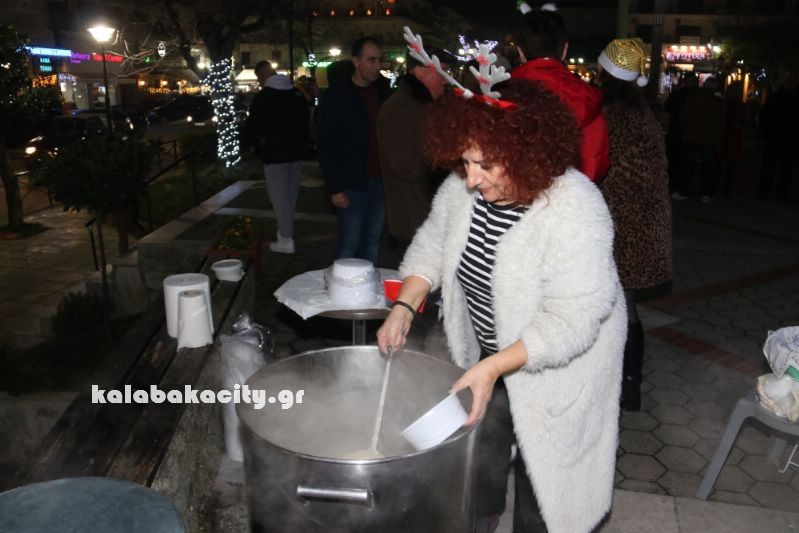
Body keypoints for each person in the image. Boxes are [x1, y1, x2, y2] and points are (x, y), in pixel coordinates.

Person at [377, 78, 626, 533]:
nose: (471, 178)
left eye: (486, 165)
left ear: (527, 153)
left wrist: (493, 367)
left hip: (561, 369)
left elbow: (570, 320)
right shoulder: (463, 190)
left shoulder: (574, 207)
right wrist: (404, 307)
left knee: (544, 492)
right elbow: (431, 246)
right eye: (466, 161)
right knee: (479, 463)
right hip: (490, 360)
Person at [595, 38, 673, 411]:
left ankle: (614, 383)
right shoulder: (645, 111)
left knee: (608, 305)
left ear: (606, 72)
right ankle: (630, 385)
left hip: (620, 225)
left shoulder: (611, 116)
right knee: (625, 304)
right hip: (644, 225)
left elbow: (595, 167)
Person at [511, 4, 610, 182]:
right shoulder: (586, 98)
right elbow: (595, 162)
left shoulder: (502, 92)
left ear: (520, 52)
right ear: (564, 50)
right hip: (571, 195)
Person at [316, 36, 391, 264]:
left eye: (379, 60)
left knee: (372, 242)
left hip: (380, 181)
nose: (376, 66)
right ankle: (343, 286)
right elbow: (326, 144)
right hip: (351, 183)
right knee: (349, 243)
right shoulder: (337, 96)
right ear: (356, 61)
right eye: (371, 60)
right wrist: (335, 188)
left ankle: (367, 285)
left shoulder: (383, 92)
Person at [377, 48, 451, 263]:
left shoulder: (426, 105)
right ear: (420, 72)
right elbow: (407, 167)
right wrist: (447, 157)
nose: (446, 79)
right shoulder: (400, 108)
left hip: (430, 218)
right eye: (441, 72)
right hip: (415, 220)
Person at [244, 60, 310, 254]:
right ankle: (285, 232)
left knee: (278, 196)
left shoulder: (265, 96)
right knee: (290, 194)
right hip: (297, 150)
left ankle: (286, 237)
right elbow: (307, 120)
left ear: (262, 76)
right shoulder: (296, 93)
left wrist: (255, 144)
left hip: (275, 152)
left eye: (259, 78)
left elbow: (254, 125)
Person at [679, 76, 725, 201]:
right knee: (706, 168)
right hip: (709, 138)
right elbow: (720, 123)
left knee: (689, 166)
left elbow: (684, 116)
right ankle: (704, 192)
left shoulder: (693, 99)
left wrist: (686, 130)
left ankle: (684, 190)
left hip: (692, 136)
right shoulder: (718, 103)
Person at [758, 71, 799, 201]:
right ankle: (765, 191)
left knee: (785, 169)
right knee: (769, 166)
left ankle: (781, 193)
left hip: (790, 140)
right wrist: (765, 132)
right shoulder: (775, 96)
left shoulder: (792, 97)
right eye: (789, 79)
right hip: (774, 137)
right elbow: (765, 115)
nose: (790, 82)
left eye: (793, 79)